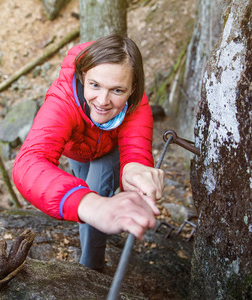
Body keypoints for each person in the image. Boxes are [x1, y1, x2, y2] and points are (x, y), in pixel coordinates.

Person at [12, 34, 164, 271]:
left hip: (109, 151)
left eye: (117, 90)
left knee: (94, 193)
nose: (103, 101)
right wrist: (87, 204)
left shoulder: (136, 102)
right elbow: (28, 162)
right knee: (83, 195)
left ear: (132, 88)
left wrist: (135, 168)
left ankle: (91, 269)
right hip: (79, 152)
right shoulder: (63, 99)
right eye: (95, 85)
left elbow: (135, 148)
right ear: (83, 77)